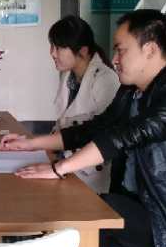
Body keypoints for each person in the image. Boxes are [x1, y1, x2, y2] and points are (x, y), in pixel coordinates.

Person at [0, 10, 166, 247]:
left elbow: (124, 137)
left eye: (121, 51)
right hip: (139, 205)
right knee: (70, 234)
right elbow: (97, 129)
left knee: (81, 222)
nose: (114, 59)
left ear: (150, 49)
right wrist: (32, 143)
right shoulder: (132, 90)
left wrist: (59, 168)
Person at [47, 15, 120, 192]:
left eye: (59, 47)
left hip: (91, 174)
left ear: (83, 51)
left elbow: (106, 135)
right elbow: (63, 121)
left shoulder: (106, 79)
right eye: (52, 46)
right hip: (66, 164)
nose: (52, 53)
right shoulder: (68, 75)